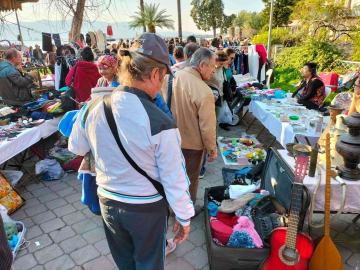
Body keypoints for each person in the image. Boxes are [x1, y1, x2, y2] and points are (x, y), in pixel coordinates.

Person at [68, 32, 194, 270]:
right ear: (156, 73)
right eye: (164, 76)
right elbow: (174, 177)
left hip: (107, 201)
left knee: (124, 263)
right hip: (145, 208)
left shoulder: (92, 107)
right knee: (149, 264)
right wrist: (184, 216)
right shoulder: (160, 121)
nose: (162, 83)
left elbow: (76, 147)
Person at [161, 47, 217, 216]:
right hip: (191, 145)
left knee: (170, 177)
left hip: (168, 139)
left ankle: (170, 207)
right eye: (213, 66)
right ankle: (185, 212)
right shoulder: (204, 91)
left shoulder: (170, 78)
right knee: (189, 180)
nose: (214, 70)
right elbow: (207, 127)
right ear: (202, 64)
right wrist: (212, 150)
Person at [199, 50, 229, 178]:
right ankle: (210, 145)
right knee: (211, 122)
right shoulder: (210, 72)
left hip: (219, 97)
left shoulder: (222, 70)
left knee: (215, 121)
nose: (221, 65)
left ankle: (213, 141)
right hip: (211, 98)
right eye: (220, 63)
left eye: (224, 63)